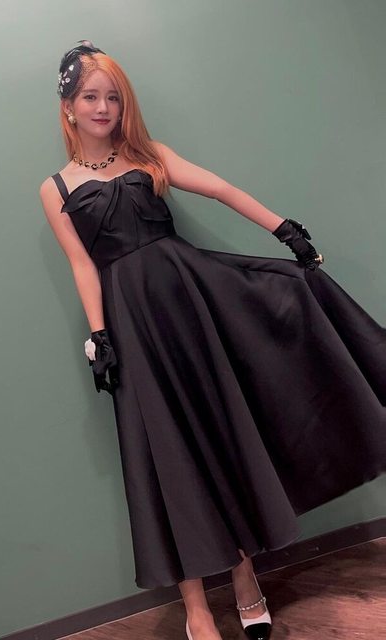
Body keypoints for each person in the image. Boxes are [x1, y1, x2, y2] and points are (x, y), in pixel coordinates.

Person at [39, 40, 386, 640]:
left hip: (191, 305)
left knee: (220, 435)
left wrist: (284, 230)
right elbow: (83, 265)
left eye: (113, 97)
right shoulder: (56, 189)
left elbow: (221, 188)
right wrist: (99, 336)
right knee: (167, 457)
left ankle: (245, 578)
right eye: (90, 97)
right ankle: (196, 608)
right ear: (68, 106)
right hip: (132, 327)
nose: (103, 108)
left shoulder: (149, 156)